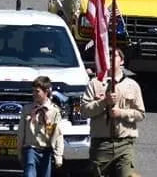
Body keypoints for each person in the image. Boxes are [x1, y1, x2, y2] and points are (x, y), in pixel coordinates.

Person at [80, 46, 145, 177]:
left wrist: (121, 113)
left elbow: (140, 114)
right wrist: (103, 102)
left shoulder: (132, 85)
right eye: (107, 56)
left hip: (124, 142)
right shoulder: (95, 83)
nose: (110, 58)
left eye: (114, 56)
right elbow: (84, 111)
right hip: (101, 143)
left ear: (122, 61)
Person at [19, 76, 65, 177]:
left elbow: (57, 135)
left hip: (46, 151)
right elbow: (21, 132)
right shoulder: (27, 109)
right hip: (30, 149)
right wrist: (19, 151)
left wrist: (58, 156)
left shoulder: (54, 111)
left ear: (46, 92)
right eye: (33, 91)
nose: (34, 94)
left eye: (37, 91)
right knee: (29, 173)